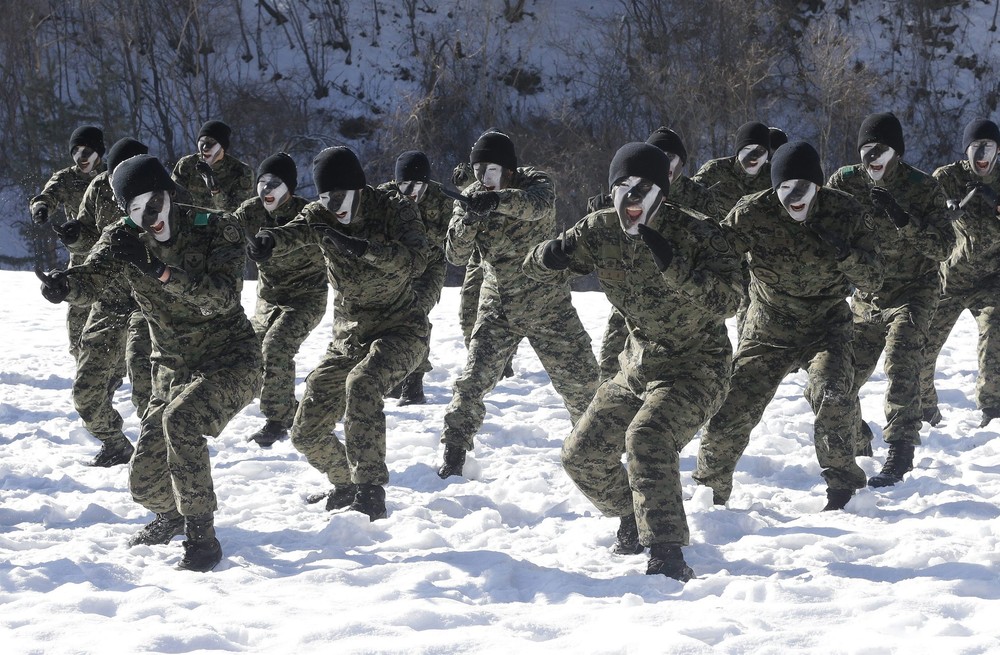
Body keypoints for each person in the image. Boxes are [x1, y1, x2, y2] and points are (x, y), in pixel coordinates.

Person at [523, 142, 742, 581]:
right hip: (638, 366)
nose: (631, 197)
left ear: (662, 191)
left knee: (647, 439)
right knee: (581, 455)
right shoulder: (600, 230)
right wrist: (548, 256)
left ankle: (666, 554)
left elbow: (729, 301)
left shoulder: (698, 233)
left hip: (698, 368)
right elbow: (536, 264)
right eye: (621, 186)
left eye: (643, 187)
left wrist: (671, 261)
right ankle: (632, 514)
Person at [36, 154, 260, 572]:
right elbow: (95, 279)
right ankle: (174, 513)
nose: (149, 217)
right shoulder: (122, 236)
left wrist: (160, 272)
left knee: (182, 422)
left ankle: (202, 539)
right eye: (136, 210)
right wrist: (65, 287)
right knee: (145, 484)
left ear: (170, 194)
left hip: (231, 360)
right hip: (173, 369)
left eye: (154, 204)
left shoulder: (216, 228)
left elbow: (221, 298)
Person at [693, 141, 884, 511]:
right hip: (769, 328)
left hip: (826, 325)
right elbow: (713, 253)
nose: (794, 197)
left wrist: (845, 254)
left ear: (818, 186)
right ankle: (709, 494)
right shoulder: (752, 213)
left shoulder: (845, 211)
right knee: (732, 406)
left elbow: (874, 277)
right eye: (785, 188)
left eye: (803, 188)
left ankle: (843, 487)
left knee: (833, 395)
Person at [245, 146, 429, 521]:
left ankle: (370, 491)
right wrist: (269, 241)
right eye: (326, 197)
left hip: (401, 330)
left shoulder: (394, 209)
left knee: (363, 385)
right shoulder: (321, 214)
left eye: (340, 196)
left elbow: (415, 261)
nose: (333, 205)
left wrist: (362, 248)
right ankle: (345, 485)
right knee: (305, 432)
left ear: (358, 188)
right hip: (350, 337)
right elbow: (295, 231)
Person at [436, 129, 600, 479]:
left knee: (584, 383)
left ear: (509, 170)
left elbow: (536, 206)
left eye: (492, 170)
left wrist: (496, 202)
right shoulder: (469, 198)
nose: (484, 178)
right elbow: (454, 254)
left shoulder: (536, 183)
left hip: (548, 304)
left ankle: (600, 447)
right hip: (500, 306)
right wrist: (469, 217)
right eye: (478, 169)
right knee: (473, 381)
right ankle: (453, 451)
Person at [827, 112, 956, 488]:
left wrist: (903, 218)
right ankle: (858, 436)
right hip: (867, 296)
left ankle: (900, 451)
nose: (872, 157)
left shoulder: (922, 187)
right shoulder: (845, 182)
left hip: (914, 290)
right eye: (866, 149)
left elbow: (944, 247)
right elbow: (823, 225)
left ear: (896, 153)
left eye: (880, 149)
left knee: (901, 360)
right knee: (838, 377)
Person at [55, 137, 155, 466]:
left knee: (146, 386)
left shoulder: (160, 192)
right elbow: (88, 233)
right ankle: (114, 442)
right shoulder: (98, 188)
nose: (115, 183)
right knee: (86, 391)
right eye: (112, 175)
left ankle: (163, 451)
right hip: (109, 299)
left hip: (149, 303)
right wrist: (75, 235)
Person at [595, 126, 721, 382]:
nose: (667, 161)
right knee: (612, 360)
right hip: (631, 285)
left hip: (678, 291)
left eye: (673, 156)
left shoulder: (697, 196)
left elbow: (713, 242)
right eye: (660, 154)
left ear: (683, 163)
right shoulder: (628, 188)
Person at [233, 153, 327, 447]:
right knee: (248, 350)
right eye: (261, 183)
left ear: (289, 187)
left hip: (305, 297)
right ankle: (290, 408)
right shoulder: (250, 212)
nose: (266, 190)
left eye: (274, 183)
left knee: (275, 347)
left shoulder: (307, 213)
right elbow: (221, 231)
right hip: (269, 298)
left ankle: (277, 420)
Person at [919, 118, 1000, 428]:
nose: (982, 154)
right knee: (922, 347)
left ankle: (992, 409)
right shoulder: (947, 177)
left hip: (991, 279)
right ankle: (926, 409)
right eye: (976, 147)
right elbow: (922, 217)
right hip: (948, 280)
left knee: (995, 335)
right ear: (966, 150)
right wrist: (944, 210)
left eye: (989, 148)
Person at [377, 150, 453, 405]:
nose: (410, 190)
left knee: (416, 313)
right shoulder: (383, 197)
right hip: (397, 267)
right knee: (389, 317)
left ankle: (414, 381)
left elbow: (450, 239)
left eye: (417, 184)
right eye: (404, 184)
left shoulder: (442, 199)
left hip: (430, 266)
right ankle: (397, 374)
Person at [29, 125, 107, 370]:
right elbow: (47, 195)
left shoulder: (112, 175)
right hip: (81, 258)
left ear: (99, 152)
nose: (80, 157)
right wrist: (41, 208)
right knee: (78, 317)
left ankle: (115, 367)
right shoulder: (66, 178)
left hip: (112, 256)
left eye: (86, 151)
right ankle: (84, 367)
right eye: (75, 151)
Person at [692, 121, 774, 337]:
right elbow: (689, 197)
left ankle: (743, 361)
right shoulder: (715, 171)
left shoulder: (773, 176)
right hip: (718, 253)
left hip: (755, 256)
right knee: (710, 310)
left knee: (753, 315)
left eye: (760, 151)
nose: (754, 156)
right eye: (748, 150)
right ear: (738, 150)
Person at [171, 119, 254, 212]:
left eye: (212, 142)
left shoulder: (241, 171)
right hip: (189, 224)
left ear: (223, 146)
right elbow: (173, 200)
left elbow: (235, 213)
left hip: (223, 225)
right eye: (202, 141)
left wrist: (215, 190)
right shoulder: (187, 165)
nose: (205, 147)